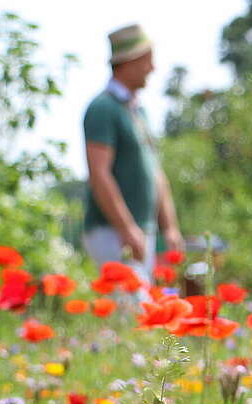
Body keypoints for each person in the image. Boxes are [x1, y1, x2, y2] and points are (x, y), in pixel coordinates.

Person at [82, 24, 182, 279]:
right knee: (134, 310)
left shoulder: (138, 111)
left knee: (139, 310)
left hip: (139, 229)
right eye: (148, 60)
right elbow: (99, 173)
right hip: (112, 231)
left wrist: (169, 227)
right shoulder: (103, 108)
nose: (153, 68)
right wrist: (126, 228)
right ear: (130, 61)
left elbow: (155, 172)